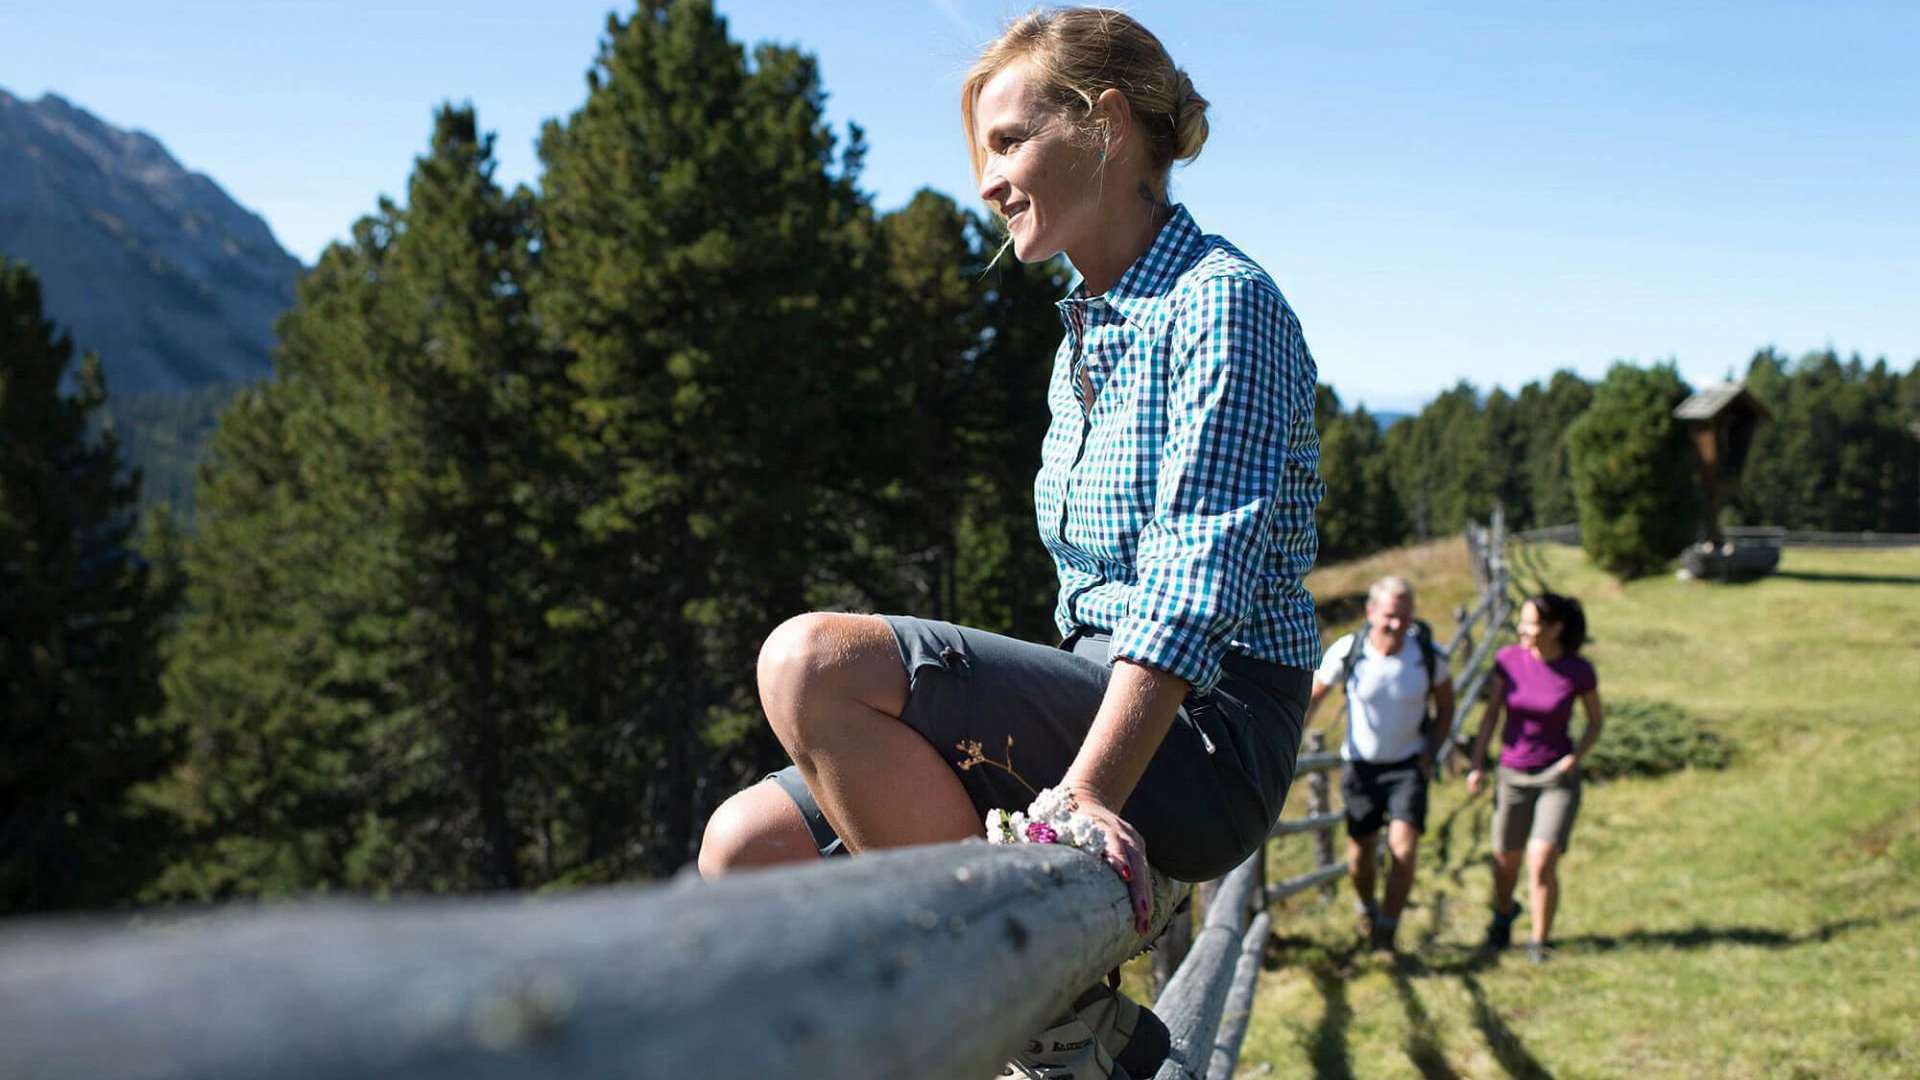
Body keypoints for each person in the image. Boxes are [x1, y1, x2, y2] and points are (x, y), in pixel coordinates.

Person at [697, 7, 1324, 1076]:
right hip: (1105, 692)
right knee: (743, 850)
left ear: (1107, 124)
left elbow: (1193, 583)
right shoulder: (1085, 333)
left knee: (811, 666)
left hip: (1208, 731)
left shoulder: (1221, 305)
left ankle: (1053, 1021)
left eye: (1007, 141)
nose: (985, 181)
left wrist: (1083, 790)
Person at [1304, 576, 1454, 953]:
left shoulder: (1428, 654)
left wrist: (1430, 752)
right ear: (1371, 613)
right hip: (1360, 767)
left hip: (1408, 767)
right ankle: (1367, 909)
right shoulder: (1348, 651)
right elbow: (1313, 697)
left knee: (1403, 850)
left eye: (1404, 616)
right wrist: (1285, 743)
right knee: (1361, 854)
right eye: (1389, 615)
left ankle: (1387, 930)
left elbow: (1446, 707)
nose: (1396, 624)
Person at [1465, 592, 1603, 964]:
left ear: (1555, 628)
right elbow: (1491, 716)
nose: (1523, 630)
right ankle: (1505, 912)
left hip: (1556, 776)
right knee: (1504, 861)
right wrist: (1478, 763)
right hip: (1512, 774)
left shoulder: (1578, 671)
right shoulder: (1508, 661)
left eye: (1532, 623)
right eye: (1522, 622)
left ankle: (1538, 942)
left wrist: (1574, 759)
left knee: (1541, 859)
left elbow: (1594, 721)